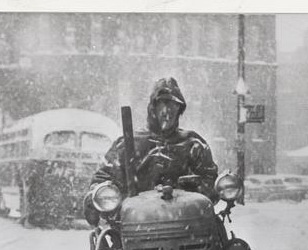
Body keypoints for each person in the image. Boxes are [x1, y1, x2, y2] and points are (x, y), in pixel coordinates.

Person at [86, 77, 218, 222]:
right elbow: (104, 180)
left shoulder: (193, 144)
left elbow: (210, 180)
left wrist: (190, 188)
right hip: (137, 222)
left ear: (179, 110)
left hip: (188, 221)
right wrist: (98, 194)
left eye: (174, 105)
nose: (167, 111)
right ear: (153, 108)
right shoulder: (127, 144)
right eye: (163, 104)